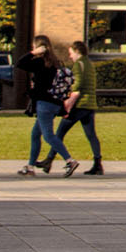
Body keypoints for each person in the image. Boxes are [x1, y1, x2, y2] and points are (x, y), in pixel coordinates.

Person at [16, 35, 79, 177]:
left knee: (48, 135)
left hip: (44, 104)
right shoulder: (56, 62)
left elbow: (19, 63)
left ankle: (70, 160)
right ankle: (31, 166)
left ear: (39, 47)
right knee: (35, 134)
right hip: (55, 103)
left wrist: (33, 54)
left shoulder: (39, 62)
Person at [45, 40, 104, 176]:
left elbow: (76, 87)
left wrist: (67, 106)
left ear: (77, 52)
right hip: (89, 104)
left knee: (59, 133)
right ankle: (98, 163)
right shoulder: (89, 64)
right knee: (91, 135)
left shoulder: (79, 65)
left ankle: (49, 159)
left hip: (79, 104)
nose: (70, 56)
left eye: (71, 53)